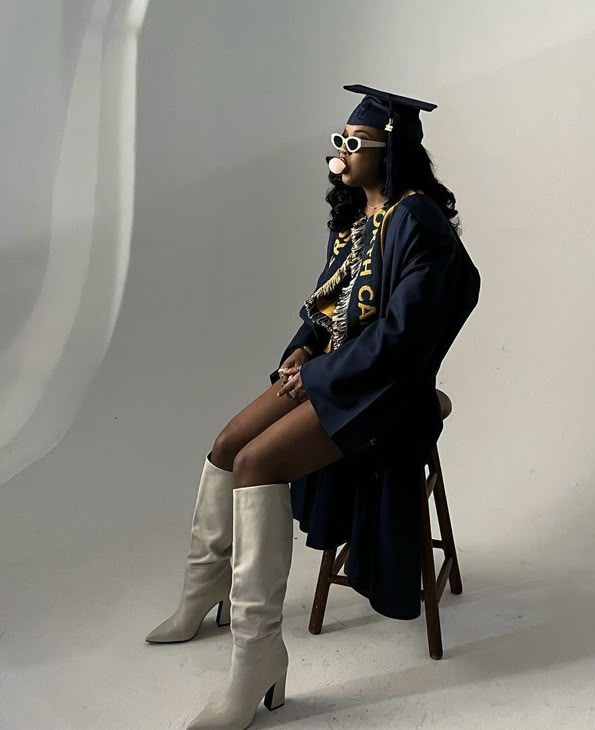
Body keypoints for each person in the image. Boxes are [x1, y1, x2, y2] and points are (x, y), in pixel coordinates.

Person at [144, 83, 482, 730]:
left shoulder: (417, 219)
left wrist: (325, 370)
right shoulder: (358, 217)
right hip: (335, 372)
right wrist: (302, 352)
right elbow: (328, 306)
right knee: (225, 445)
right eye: (339, 142)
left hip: (386, 387)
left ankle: (258, 656)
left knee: (257, 463)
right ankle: (205, 590)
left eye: (354, 144)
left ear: (389, 152)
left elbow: (403, 336)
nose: (341, 154)